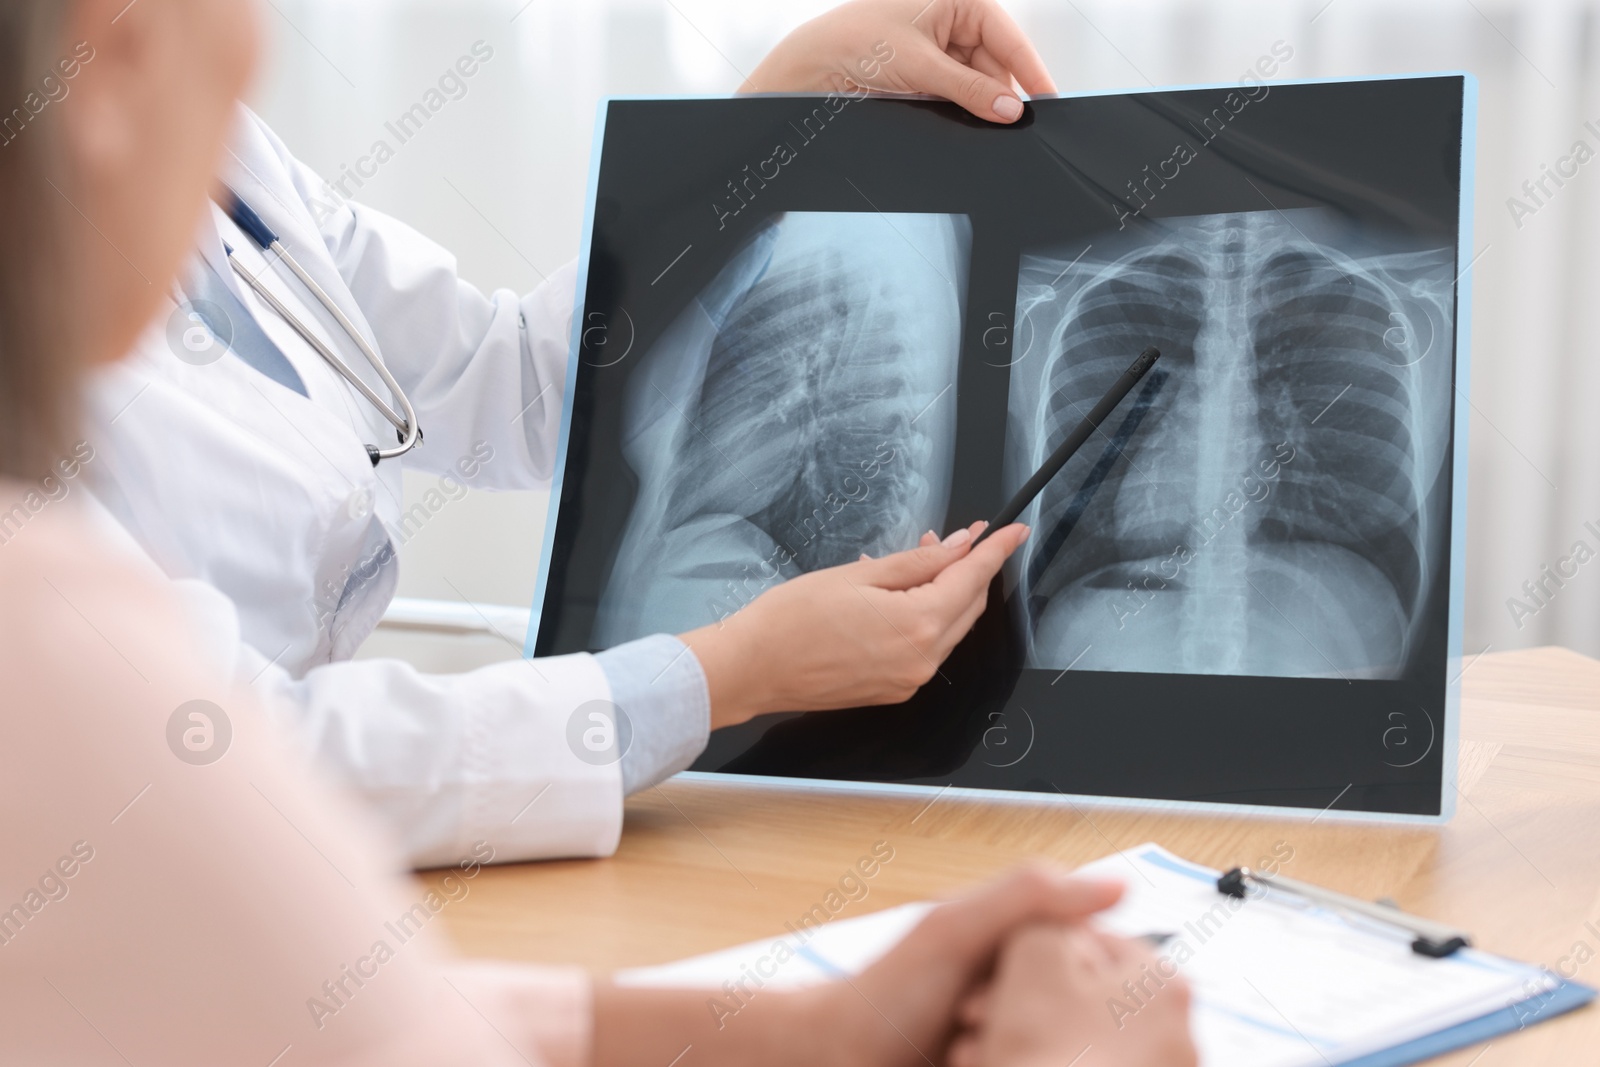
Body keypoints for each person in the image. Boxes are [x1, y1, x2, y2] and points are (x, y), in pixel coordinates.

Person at [0, 8, 1197, 1064]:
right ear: (114, 54)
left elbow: (509, 385)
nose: (256, 52)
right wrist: (722, 673)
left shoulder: (237, 183)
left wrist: (766, 119)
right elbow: (263, 757)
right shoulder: (43, 629)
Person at [79, 0, 1057, 869]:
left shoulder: (226, 162)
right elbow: (236, 753)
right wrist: (730, 673)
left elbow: (507, 383)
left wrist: (785, 96)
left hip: (308, 871)